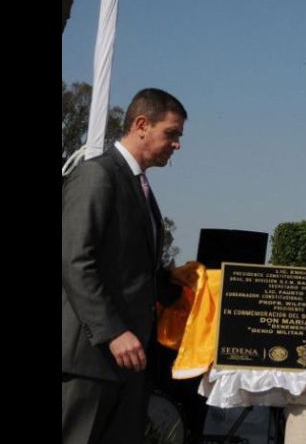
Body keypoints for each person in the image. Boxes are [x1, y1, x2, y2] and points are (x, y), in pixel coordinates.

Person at [62, 88, 191, 444]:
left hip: (130, 365)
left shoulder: (141, 187)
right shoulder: (97, 176)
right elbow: (75, 260)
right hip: (90, 360)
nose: (177, 144)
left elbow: (132, 272)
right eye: (172, 133)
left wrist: (182, 286)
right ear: (141, 125)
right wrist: (113, 332)